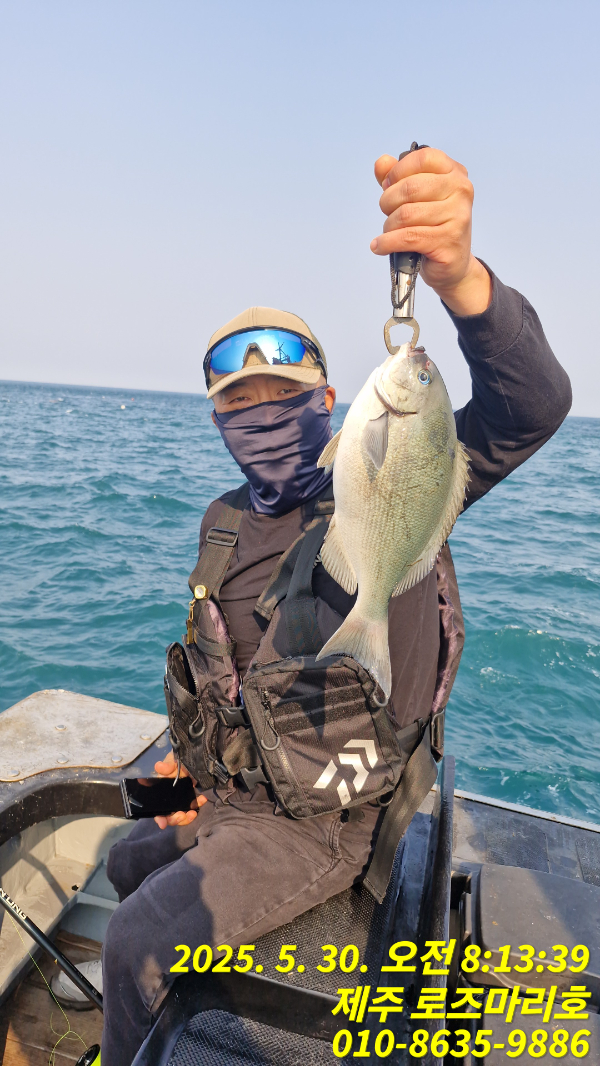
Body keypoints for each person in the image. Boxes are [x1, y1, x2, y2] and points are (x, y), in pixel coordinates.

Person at [54, 148, 571, 1064]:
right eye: (240, 405)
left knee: (134, 939)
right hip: (235, 789)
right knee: (125, 854)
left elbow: (533, 405)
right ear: (218, 424)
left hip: (327, 820)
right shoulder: (221, 523)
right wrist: (183, 764)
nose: (263, 418)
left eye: (285, 397)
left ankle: (132, 1020)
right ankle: (134, 1005)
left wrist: (459, 278)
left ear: (334, 401)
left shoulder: (391, 477)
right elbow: (223, 672)